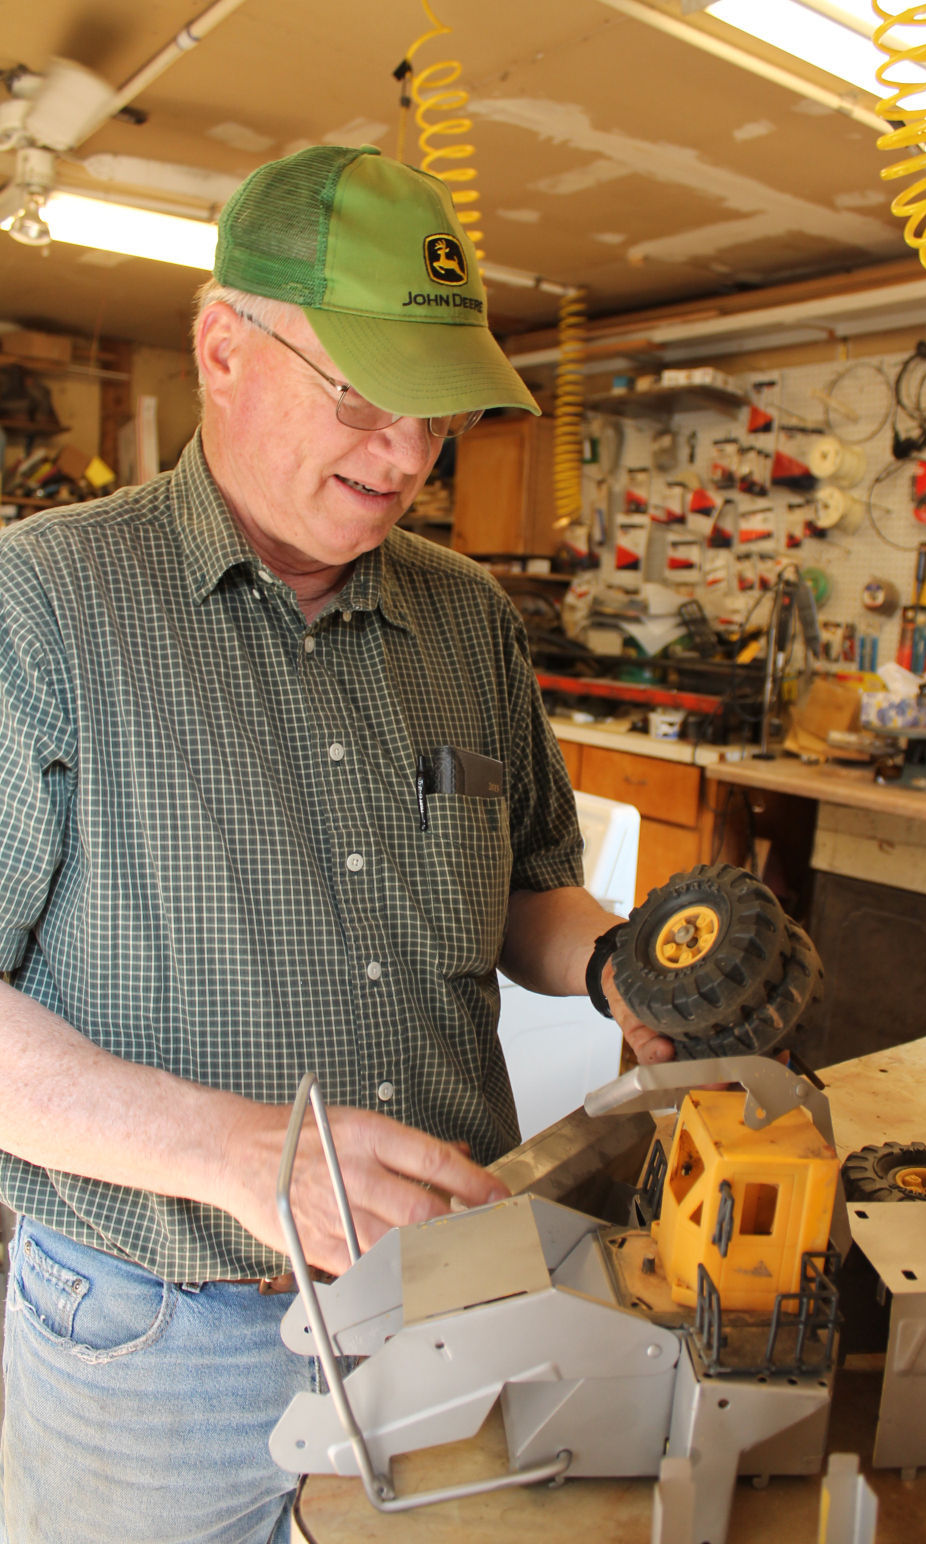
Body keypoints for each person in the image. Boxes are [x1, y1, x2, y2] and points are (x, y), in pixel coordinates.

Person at [0, 143, 670, 1544]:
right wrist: (249, 1155)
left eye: (435, 412)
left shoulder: (469, 620)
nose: (406, 458)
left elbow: (525, 891)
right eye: (362, 394)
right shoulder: (42, 610)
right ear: (221, 347)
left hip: (452, 1305)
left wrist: (622, 966)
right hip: (165, 1340)